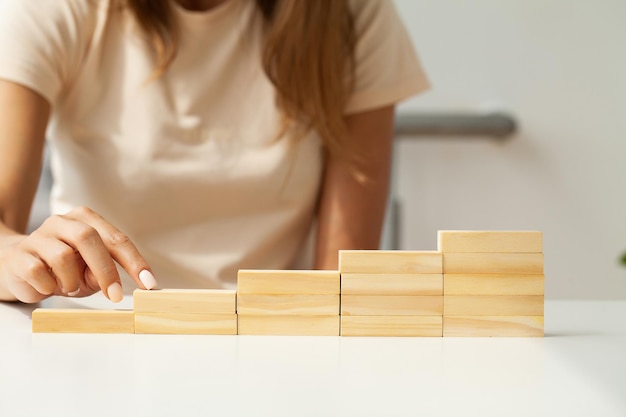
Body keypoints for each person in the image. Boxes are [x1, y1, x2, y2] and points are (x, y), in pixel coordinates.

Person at [0, 0, 429, 304]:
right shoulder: (55, 8)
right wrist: (16, 259)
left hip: (272, 340)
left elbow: (341, 283)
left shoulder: (351, 14)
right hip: (106, 328)